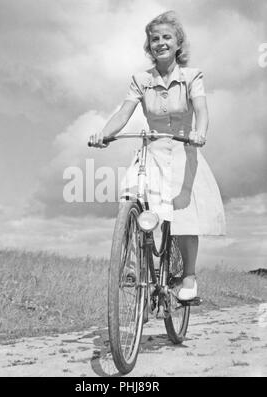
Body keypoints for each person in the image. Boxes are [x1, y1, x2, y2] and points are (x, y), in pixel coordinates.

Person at [89, 11, 226, 300]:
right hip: (152, 151)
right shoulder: (141, 80)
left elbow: (201, 110)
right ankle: (131, 264)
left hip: (184, 151)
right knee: (131, 198)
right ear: (149, 46)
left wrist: (200, 133)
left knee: (185, 216)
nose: (160, 42)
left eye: (167, 37)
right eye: (154, 39)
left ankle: (188, 276)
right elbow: (123, 113)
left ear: (178, 44)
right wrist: (103, 133)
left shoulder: (192, 76)